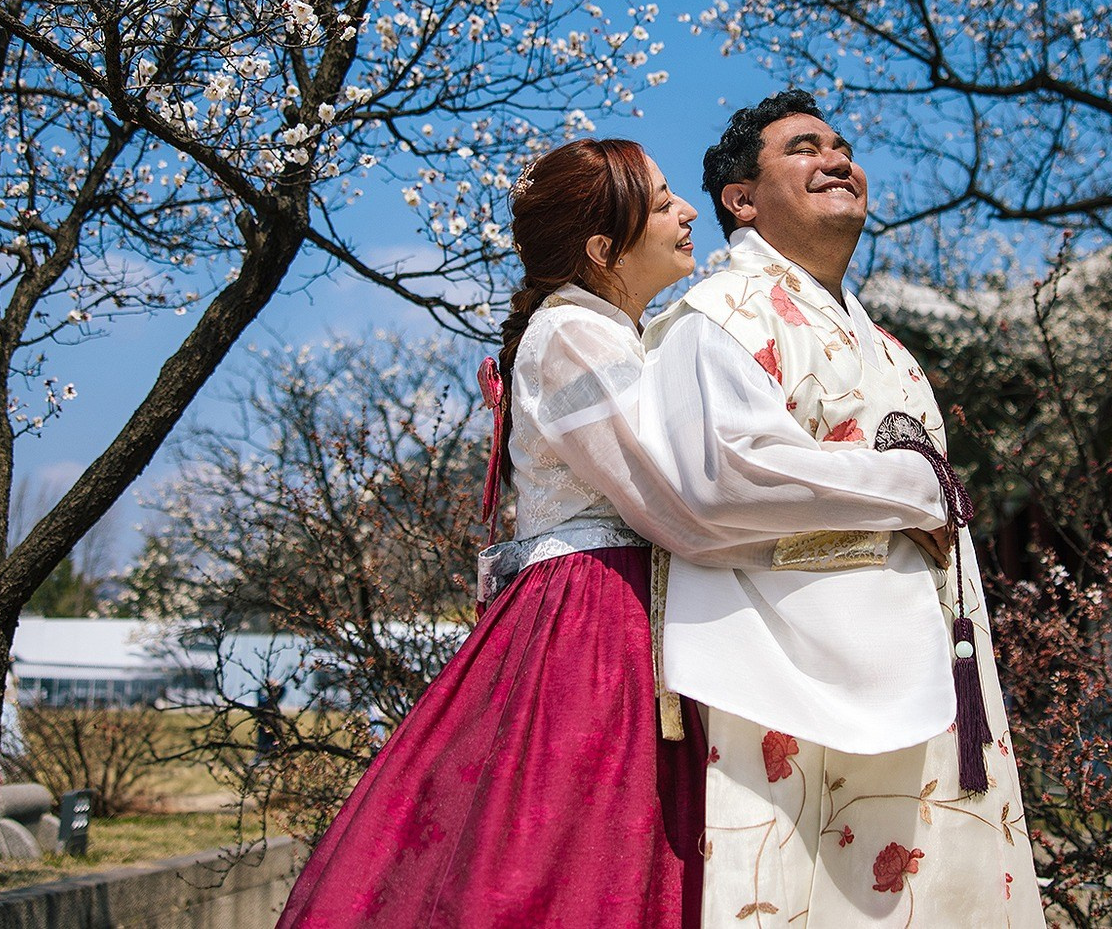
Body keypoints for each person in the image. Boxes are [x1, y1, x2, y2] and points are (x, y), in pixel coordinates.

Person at [276, 138, 950, 929]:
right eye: (662, 202)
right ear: (603, 248)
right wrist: (905, 490)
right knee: (573, 853)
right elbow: (681, 502)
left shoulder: (614, 331)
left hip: (622, 608)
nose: (686, 211)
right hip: (593, 621)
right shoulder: (574, 334)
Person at [642, 91, 1044, 927]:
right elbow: (724, 480)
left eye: (841, 146)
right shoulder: (713, 317)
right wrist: (916, 490)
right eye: (802, 148)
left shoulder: (891, 348)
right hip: (793, 679)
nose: (837, 160)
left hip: (932, 665)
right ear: (741, 199)